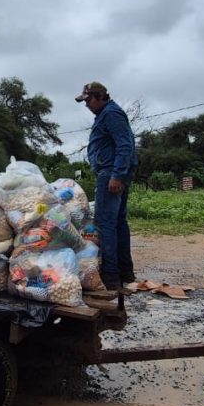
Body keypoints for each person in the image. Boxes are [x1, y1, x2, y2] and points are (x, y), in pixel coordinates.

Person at [77, 81, 138, 290]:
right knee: (118, 221)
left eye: (88, 100)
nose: (86, 105)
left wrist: (117, 175)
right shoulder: (106, 114)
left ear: (99, 96)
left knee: (106, 222)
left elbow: (125, 144)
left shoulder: (111, 114)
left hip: (111, 172)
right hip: (113, 171)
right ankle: (125, 271)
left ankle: (111, 275)